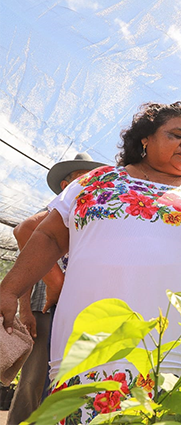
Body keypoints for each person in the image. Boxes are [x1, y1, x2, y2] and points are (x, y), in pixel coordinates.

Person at [0, 101, 181, 422]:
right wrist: (11, 289)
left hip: (179, 359)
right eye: (177, 135)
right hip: (94, 355)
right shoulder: (95, 184)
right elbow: (48, 237)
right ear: (144, 141)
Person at [6, 153, 105, 425]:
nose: (91, 182)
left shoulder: (93, 215)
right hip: (47, 309)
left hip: (78, 308)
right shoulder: (56, 211)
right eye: (82, 176)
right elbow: (24, 234)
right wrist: (26, 309)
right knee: (34, 379)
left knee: (71, 378)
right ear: (66, 184)